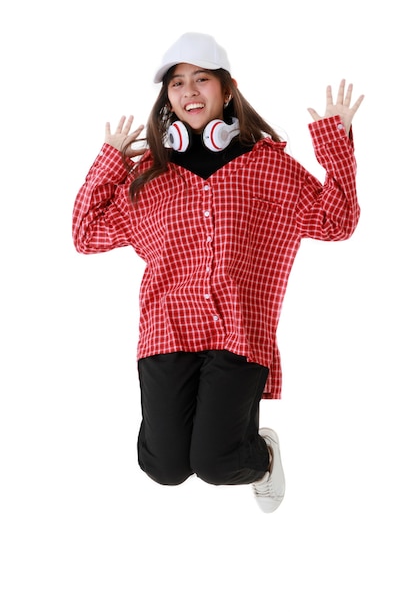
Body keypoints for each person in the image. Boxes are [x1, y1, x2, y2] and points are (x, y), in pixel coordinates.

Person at [72, 32, 364, 513]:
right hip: (167, 332)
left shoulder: (266, 165)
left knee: (215, 462)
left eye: (201, 79)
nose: (188, 91)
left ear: (226, 89)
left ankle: (262, 455)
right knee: (164, 467)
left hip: (239, 331)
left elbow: (336, 221)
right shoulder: (148, 176)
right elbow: (85, 234)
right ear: (167, 99)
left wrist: (337, 147)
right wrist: (110, 162)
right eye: (177, 83)